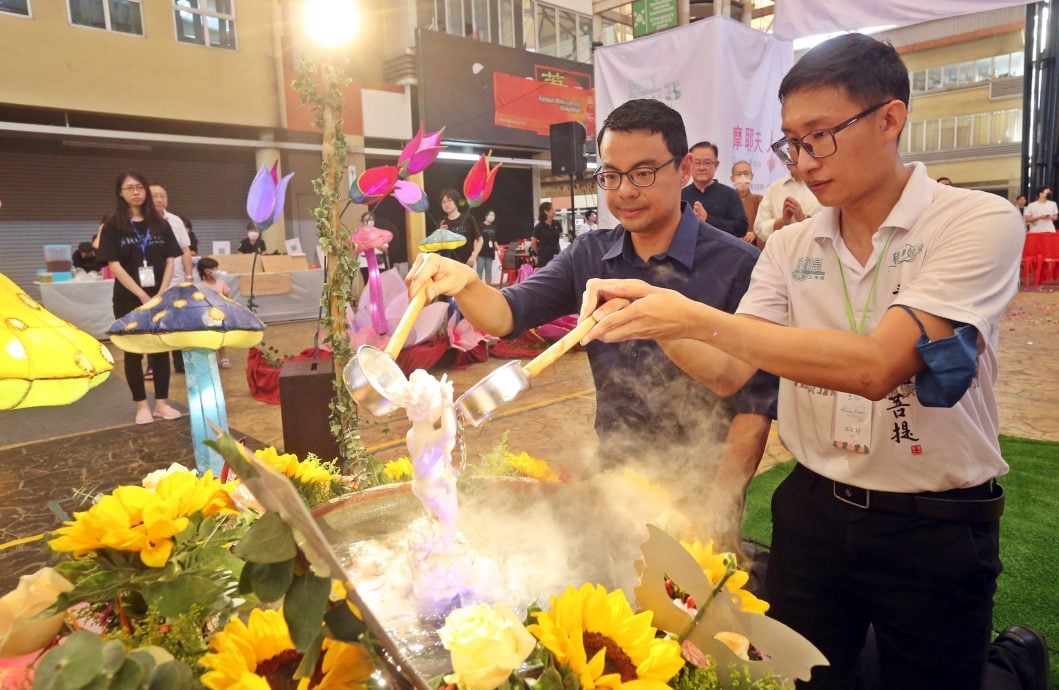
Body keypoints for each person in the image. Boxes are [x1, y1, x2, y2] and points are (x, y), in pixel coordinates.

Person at [579, 34, 1047, 690]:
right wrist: (650, 314)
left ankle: (1014, 662)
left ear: (889, 119)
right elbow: (726, 371)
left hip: (933, 518)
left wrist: (689, 316)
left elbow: (877, 366)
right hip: (813, 509)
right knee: (803, 677)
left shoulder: (975, 222)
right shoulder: (791, 244)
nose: (801, 161)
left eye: (818, 136)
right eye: (790, 143)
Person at [406, 98, 778, 551]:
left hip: (700, 483)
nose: (625, 191)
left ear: (682, 171)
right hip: (612, 475)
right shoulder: (591, 254)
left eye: (643, 173)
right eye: (611, 176)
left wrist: (720, 508)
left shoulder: (738, 264)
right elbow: (508, 314)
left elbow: (755, 404)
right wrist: (464, 283)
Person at [95, 170, 183, 426]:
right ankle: (141, 406)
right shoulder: (113, 225)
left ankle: (162, 404)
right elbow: (114, 264)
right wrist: (142, 294)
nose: (135, 192)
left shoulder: (160, 224)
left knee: (160, 350)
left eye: (139, 187)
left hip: (160, 296)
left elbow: (170, 258)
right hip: (128, 298)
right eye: (129, 188)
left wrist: (162, 292)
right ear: (120, 193)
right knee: (133, 352)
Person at [151, 183, 193, 374]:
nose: (160, 200)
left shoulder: (175, 221)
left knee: (177, 321)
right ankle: (153, 365)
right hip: (151, 281)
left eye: (163, 195)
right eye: (155, 196)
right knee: (153, 321)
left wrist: (189, 275)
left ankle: (180, 362)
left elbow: (185, 250)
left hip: (176, 279)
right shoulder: (139, 221)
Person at [680, 141, 749, 238]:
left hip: (722, 251)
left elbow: (741, 228)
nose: (702, 167)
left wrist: (707, 219)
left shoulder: (729, 194)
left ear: (716, 165)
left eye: (707, 163)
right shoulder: (681, 195)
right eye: (697, 162)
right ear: (689, 164)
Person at [754, 166, 822, 244]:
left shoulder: (822, 187)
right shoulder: (775, 188)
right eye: (788, 158)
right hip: (779, 250)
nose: (791, 161)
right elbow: (759, 228)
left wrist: (803, 219)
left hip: (812, 251)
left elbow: (829, 229)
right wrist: (783, 220)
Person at [195, 257, 231, 369]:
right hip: (205, 315)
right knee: (208, 337)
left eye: (216, 267)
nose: (216, 270)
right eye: (214, 268)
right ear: (206, 271)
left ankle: (223, 357)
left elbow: (226, 298)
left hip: (220, 314)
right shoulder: (199, 285)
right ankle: (209, 358)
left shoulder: (221, 283)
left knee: (221, 336)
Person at [437, 188, 481, 267]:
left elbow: (480, 239)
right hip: (448, 265)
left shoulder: (468, 218)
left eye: (449, 200)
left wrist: (473, 256)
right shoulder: (442, 222)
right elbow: (438, 246)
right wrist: (440, 234)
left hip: (466, 264)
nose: (446, 204)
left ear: (456, 201)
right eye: (443, 202)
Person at [731, 160, 763, 246]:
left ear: (751, 176)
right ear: (732, 178)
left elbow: (767, 224)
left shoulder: (760, 200)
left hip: (753, 248)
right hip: (732, 247)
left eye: (746, 173)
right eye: (738, 174)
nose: (743, 177)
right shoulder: (726, 200)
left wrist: (755, 233)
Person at [531, 201, 563, 268]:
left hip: (556, 253)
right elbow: (533, 243)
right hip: (544, 257)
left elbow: (559, 235)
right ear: (546, 212)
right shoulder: (539, 226)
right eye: (552, 209)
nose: (554, 211)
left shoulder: (556, 223)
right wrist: (539, 253)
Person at [477, 210, 497, 283]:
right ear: (486, 216)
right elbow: (476, 239)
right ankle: (478, 288)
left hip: (490, 252)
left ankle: (489, 288)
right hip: (481, 252)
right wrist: (475, 252)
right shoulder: (480, 225)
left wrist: (498, 247)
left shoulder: (494, 227)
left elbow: (494, 240)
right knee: (479, 270)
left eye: (493, 215)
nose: (492, 217)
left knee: (489, 271)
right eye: (491, 215)